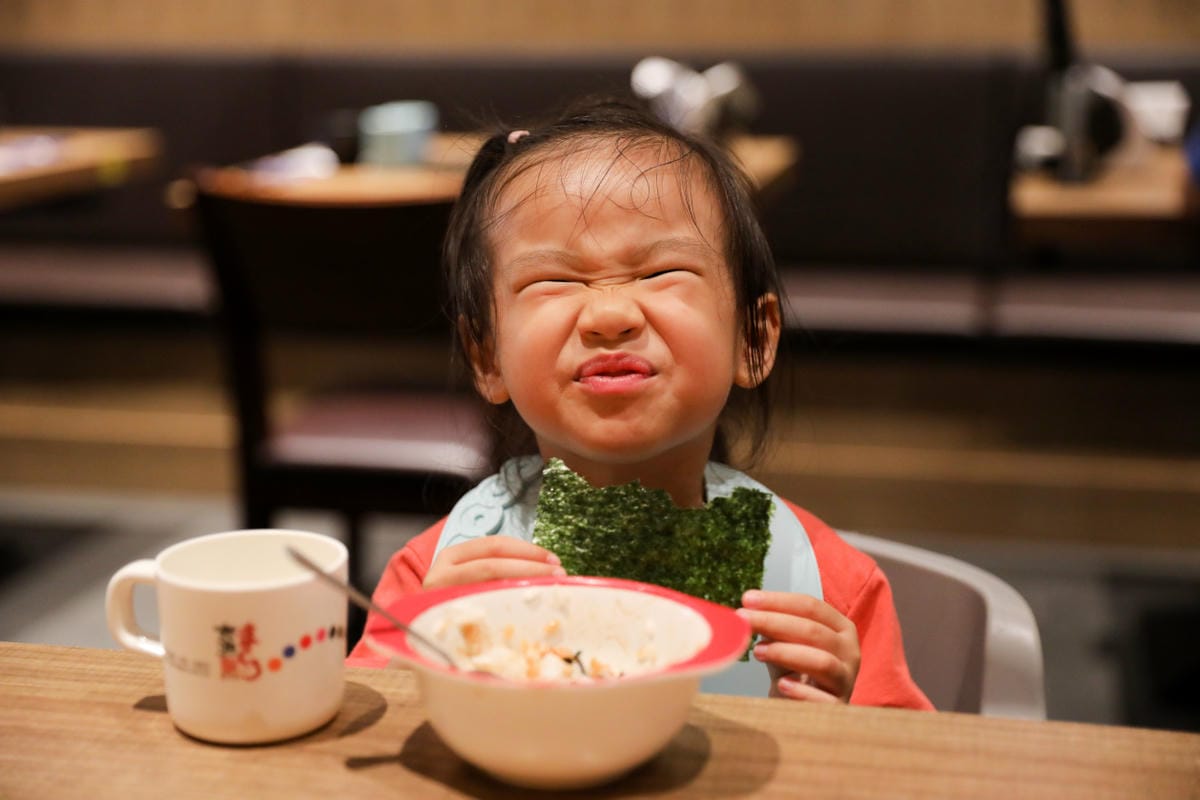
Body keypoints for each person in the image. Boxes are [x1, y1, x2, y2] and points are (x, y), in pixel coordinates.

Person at [347, 98, 932, 710]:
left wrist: (835, 732)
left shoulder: (829, 590)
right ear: (487, 356)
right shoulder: (433, 578)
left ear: (753, 338)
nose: (609, 316)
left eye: (660, 273)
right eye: (555, 282)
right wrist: (415, 667)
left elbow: (916, 767)